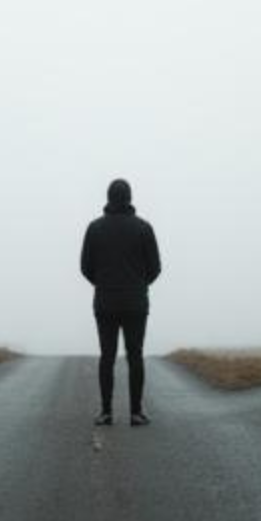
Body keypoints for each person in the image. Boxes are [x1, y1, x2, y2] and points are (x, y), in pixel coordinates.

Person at [80, 178, 162, 427]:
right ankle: (136, 413)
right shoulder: (143, 228)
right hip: (136, 302)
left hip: (105, 302)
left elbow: (85, 267)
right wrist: (140, 284)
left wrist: (102, 283)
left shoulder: (95, 228)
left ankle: (106, 412)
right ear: (129, 198)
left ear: (108, 198)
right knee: (135, 355)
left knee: (107, 356)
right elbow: (155, 267)